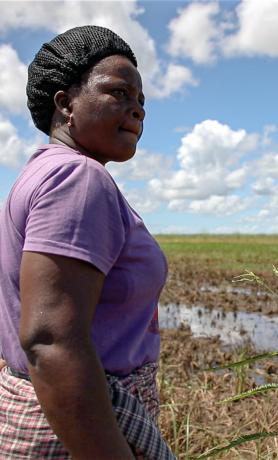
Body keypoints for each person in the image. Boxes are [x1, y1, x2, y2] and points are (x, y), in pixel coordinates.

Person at [0, 25, 175, 459]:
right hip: (78, 427)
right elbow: (50, 340)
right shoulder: (78, 178)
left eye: (141, 102)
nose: (137, 111)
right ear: (66, 104)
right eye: (119, 93)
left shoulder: (43, 173)